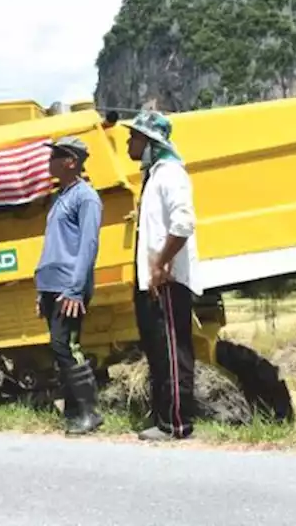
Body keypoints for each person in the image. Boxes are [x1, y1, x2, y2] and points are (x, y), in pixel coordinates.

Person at [125, 110, 200, 441]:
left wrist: (161, 263)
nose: (129, 142)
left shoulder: (170, 174)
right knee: (158, 350)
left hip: (166, 282)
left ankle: (177, 424)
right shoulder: (154, 176)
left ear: (150, 142)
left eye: (134, 137)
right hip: (152, 282)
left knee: (172, 351)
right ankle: (164, 419)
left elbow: (183, 223)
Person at [33, 135, 104, 436]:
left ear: (71, 162)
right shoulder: (60, 197)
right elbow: (54, 246)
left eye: (55, 156)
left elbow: (88, 244)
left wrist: (75, 289)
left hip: (68, 286)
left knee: (66, 346)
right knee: (59, 346)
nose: (49, 162)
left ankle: (91, 413)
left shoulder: (85, 197)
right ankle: (74, 412)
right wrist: (41, 290)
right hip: (52, 285)